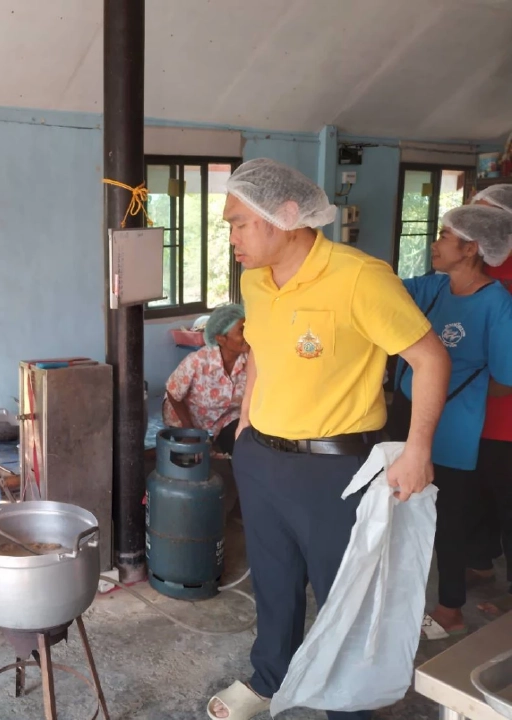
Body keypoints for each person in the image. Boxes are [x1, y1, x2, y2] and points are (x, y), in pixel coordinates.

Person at [207, 159, 450, 720]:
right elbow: (261, 354)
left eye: (241, 223)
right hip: (263, 459)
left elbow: (431, 358)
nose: (233, 236)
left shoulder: (360, 276)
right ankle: (270, 679)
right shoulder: (254, 281)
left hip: (333, 470)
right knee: (274, 582)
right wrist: (246, 423)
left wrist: (418, 451)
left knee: (348, 596)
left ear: (286, 217)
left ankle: (349, 706)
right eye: (230, 225)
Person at [388, 205, 512, 638]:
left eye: (444, 236)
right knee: (407, 512)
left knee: (450, 519)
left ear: (472, 248)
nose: (434, 244)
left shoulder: (496, 304)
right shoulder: (436, 288)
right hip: (410, 421)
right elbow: (387, 292)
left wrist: (463, 394)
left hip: (455, 433)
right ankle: (406, 594)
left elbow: (507, 376)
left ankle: (450, 609)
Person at [464, 185, 512, 616]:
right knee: (476, 495)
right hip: (474, 418)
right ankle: (478, 564)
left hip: (506, 419)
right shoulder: (476, 271)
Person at [163, 304, 249, 455]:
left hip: (224, 419)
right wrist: (190, 430)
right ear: (221, 339)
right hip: (187, 419)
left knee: (243, 447)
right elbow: (173, 393)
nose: (249, 334)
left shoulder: (250, 362)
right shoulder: (198, 361)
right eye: (241, 331)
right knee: (190, 458)